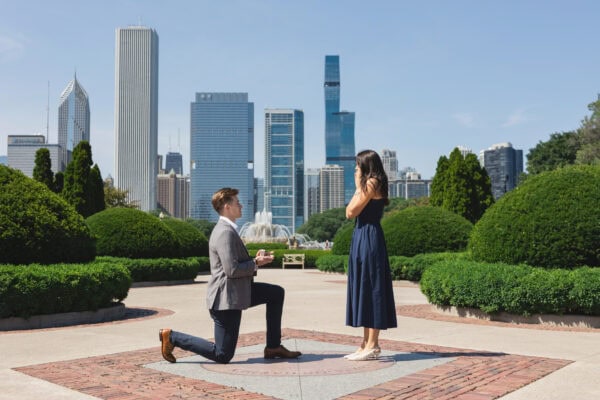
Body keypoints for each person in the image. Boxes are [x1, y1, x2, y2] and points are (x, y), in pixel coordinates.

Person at [159, 187, 301, 364]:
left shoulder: (228, 230)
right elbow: (231, 270)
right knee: (222, 354)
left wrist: (255, 260)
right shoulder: (225, 232)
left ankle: (273, 347)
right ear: (227, 206)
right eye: (237, 202)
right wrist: (256, 263)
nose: (241, 205)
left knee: (276, 293)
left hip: (238, 292)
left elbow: (234, 263)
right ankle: (172, 337)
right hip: (226, 299)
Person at [344, 150, 397, 361]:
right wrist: (359, 187)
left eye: (358, 165)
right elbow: (349, 211)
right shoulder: (368, 183)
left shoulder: (373, 182)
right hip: (361, 235)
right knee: (364, 287)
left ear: (367, 165)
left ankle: (373, 344)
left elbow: (351, 211)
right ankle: (365, 343)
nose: (355, 169)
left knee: (372, 287)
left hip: (369, 236)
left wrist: (358, 185)